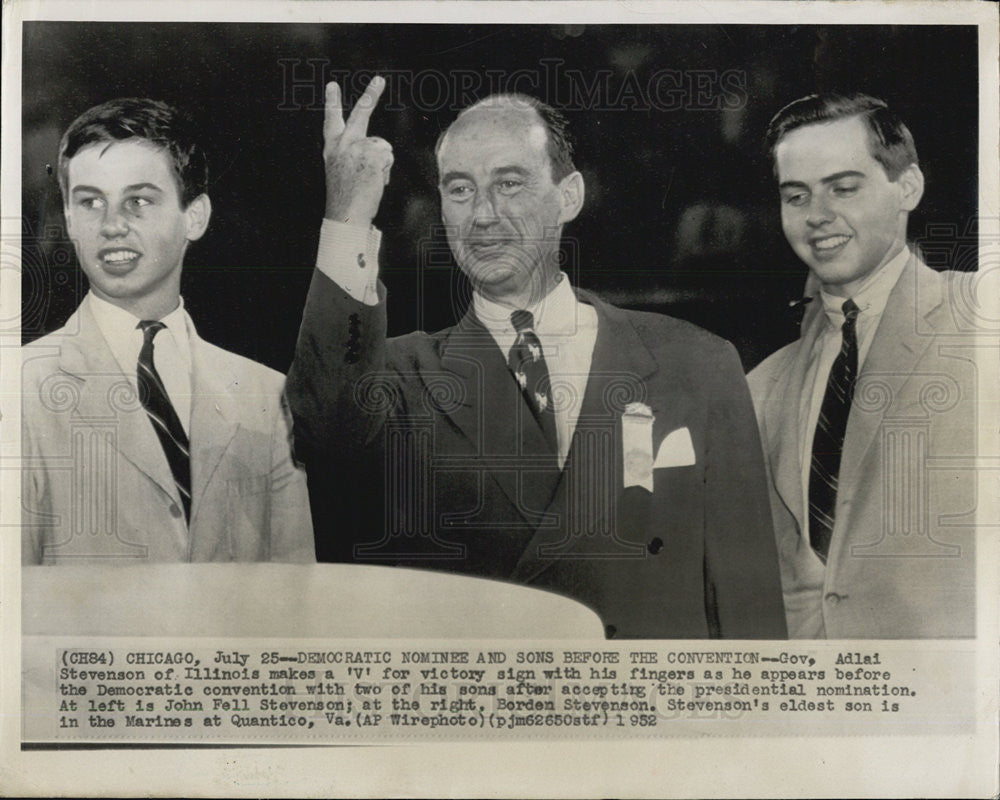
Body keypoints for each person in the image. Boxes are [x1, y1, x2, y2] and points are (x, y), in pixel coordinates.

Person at [288, 77, 786, 639]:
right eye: (459, 189)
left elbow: (750, 609)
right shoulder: (402, 377)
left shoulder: (697, 363)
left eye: (510, 183)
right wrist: (349, 215)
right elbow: (324, 423)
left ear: (568, 196)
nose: (483, 215)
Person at [22, 98, 315, 564]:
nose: (112, 225)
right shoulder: (19, 388)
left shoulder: (265, 395)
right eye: (90, 202)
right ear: (71, 220)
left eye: (138, 200)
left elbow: (297, 597)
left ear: (194, 216)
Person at [748, 93, 978, 638]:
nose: (818, 216)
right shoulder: (763, 383)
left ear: (909, 187)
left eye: (844, 188)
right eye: (796, 195)